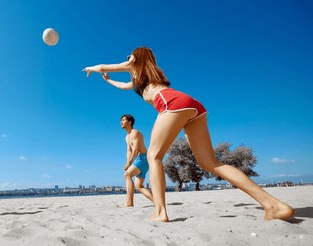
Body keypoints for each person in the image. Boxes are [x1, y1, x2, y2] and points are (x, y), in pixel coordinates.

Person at [83, 46, 295, 222]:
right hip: (193, 106)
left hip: (171, 104)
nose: (126, 58)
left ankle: (160, 212)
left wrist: (93, 68)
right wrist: (107, 80)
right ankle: (273, 205)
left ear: (137, 57)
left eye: (129, 56)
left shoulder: (135, 65)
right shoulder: (141, 78)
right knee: (211, 163)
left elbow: (105, 65)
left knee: (153, 156)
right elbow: (123, 86)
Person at [119, 114, 154, 207]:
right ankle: (156, 202)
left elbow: (136, 149)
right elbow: (129, 151)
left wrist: (129, 163)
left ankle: (129, 203)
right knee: (139, 186)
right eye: (121, 120)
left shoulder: (135, 133)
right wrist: (128, 163)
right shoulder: (127, 137)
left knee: (127, 175)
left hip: (143, 158)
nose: (121, 122)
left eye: (123, 120)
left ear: (129, 122)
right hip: (138, 160)